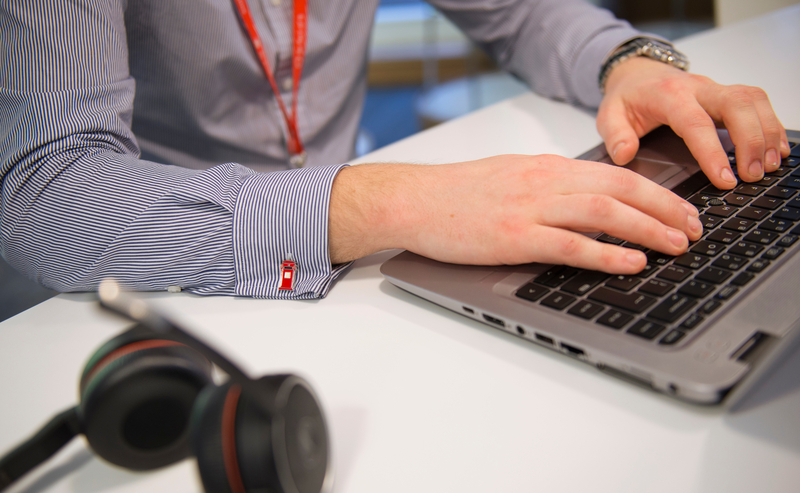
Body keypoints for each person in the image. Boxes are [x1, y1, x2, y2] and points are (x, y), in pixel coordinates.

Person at [0, 0, 789, 300]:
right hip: (161, 279)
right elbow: (46, 193)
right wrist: (392, 200)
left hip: (345, 286)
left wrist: (628, 62)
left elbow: (521, 14)